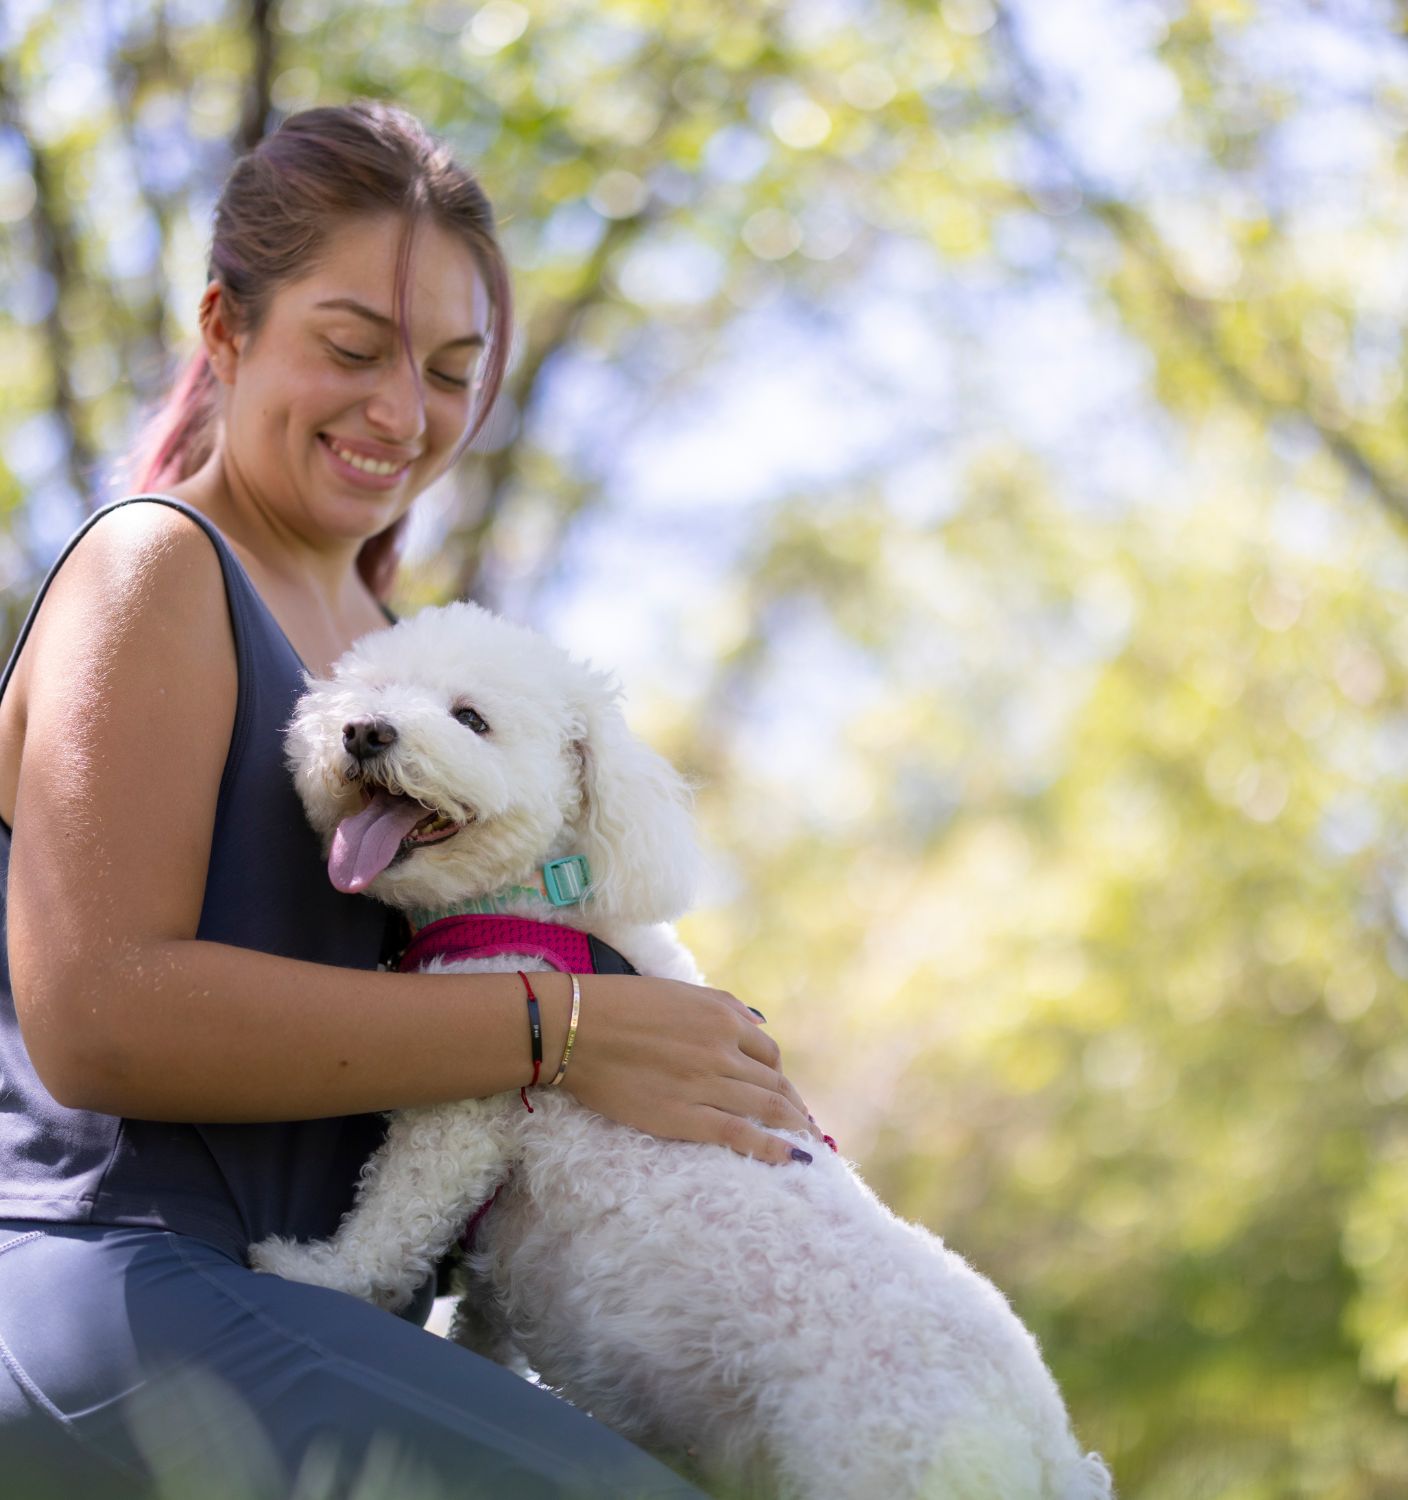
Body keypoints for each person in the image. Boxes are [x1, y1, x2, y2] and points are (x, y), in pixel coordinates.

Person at [0, 101, 814, 1500]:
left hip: (325, 1319)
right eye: (352, 348)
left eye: (449, 371)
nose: (402, 412)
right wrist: (561, 1030)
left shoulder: (400, 665)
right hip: (113, 1287)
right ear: (226, 328)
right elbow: (101, 1016)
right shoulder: (153, 569)